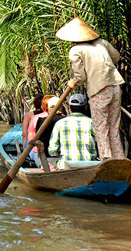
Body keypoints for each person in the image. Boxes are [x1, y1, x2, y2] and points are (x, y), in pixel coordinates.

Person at [56, 17, 125, 160]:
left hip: (99, 90)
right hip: (115, 87)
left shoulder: (75, 50)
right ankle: (119, 159)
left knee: (101, 128)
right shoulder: (102, 43)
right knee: (113, 127)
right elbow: (116, 57)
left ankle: (107, 160)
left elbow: (80, 77)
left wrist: (73, 81)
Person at [48, 93, 98, 169]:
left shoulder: (60, 124)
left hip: (66, 166)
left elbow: (52, 150)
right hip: (89, 166)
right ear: (85, 107)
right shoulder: (93, 123)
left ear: (69, 108)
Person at [27, 95, 52, 167]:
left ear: (43, 106)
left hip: (39, 152)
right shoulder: (63, 117)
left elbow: (30, 140)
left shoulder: (36, 118)